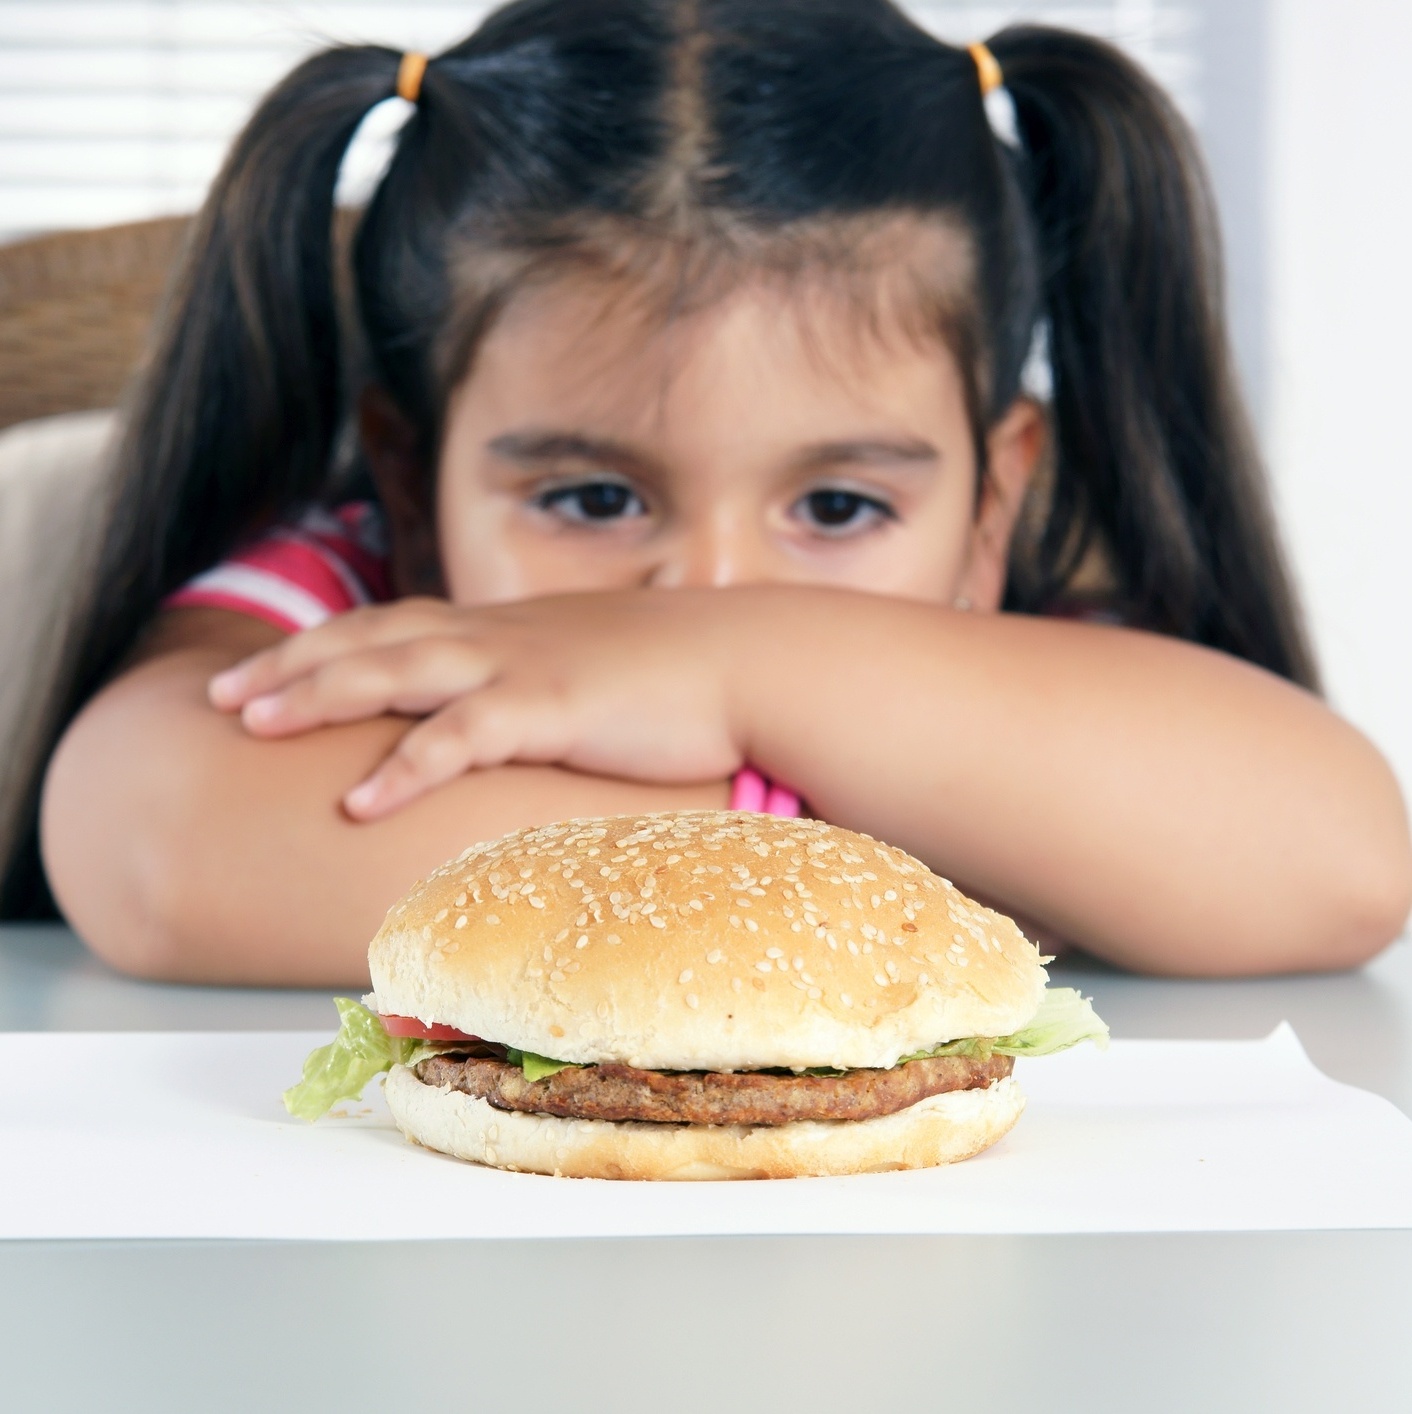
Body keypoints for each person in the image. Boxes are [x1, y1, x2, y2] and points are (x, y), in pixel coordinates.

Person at [9, 0, 1408, 984]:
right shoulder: (346, 600)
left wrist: (730, 678)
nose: (707, 592)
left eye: (840, 507)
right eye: (595, 500)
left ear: (994, 507)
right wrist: (939, 805)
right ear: (411, 479)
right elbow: (149, 848)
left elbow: (1341, 858)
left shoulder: (1040, 644)